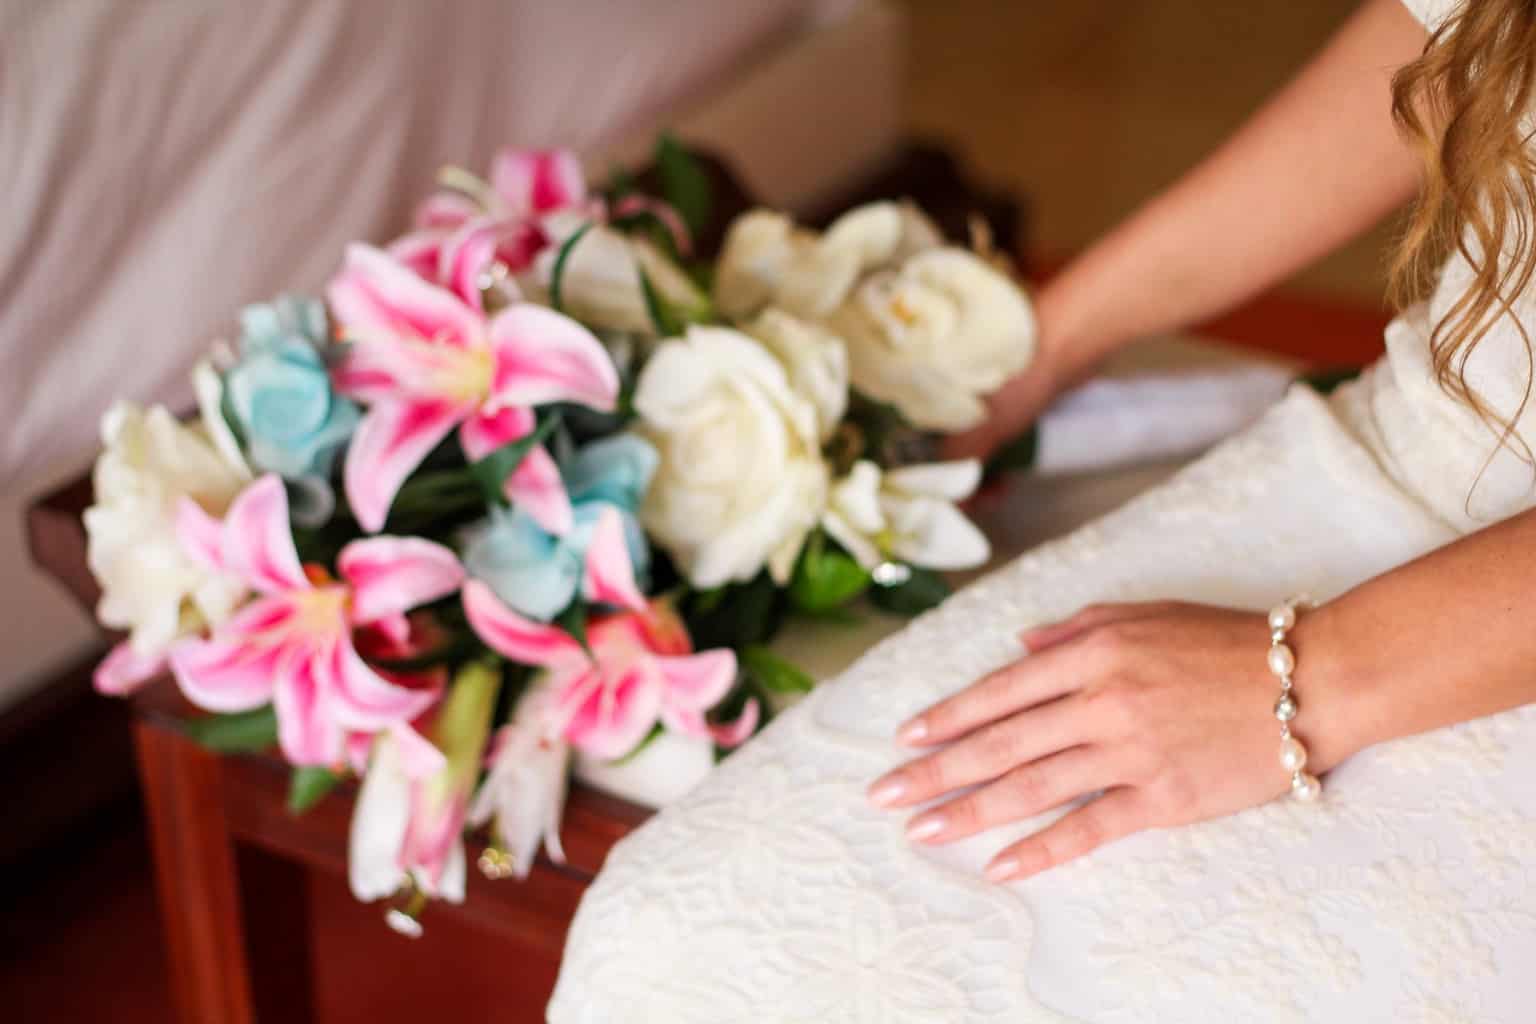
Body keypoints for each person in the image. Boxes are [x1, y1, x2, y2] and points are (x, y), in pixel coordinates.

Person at [550, 1, 1536, 1019]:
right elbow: (1461, 32)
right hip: (1406, 451)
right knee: (676, 940)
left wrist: (1297, 683)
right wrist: (1048, 342)